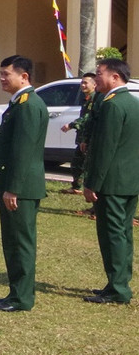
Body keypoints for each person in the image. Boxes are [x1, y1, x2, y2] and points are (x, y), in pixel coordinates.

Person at [0, 55, 48, 312]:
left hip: (20, 188)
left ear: (24, 77)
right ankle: (16, 292)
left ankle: (22, 298)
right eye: (0, 73)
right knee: (12, 241)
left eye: (6, 74)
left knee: (20, 242)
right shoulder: (19, 103)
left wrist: (13, 188)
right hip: (15, 185)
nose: (2, 78)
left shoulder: (29, 105)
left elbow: (24, 152)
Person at [81, 58, 137, 305]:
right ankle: (119, 282)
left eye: (100, 74)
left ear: (115, 77)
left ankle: (118, 289)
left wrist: (91, 183)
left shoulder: (112, 106)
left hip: (112, 182)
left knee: (113, 234)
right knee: (124, 232)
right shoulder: (132, 103)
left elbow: (104, 150)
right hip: (129, 180)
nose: (96, 78)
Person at [61, 72, 97, 196]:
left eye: (85, 83)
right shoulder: (86, 99)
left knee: (85, 165)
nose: (82, 85)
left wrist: (70, 125)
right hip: (83, 138)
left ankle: (88, 189)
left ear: (94, 84)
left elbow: (87, 118)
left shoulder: (94, 99)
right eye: (82, 82)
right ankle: (76, 187)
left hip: (88, 139)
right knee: (77, 163)